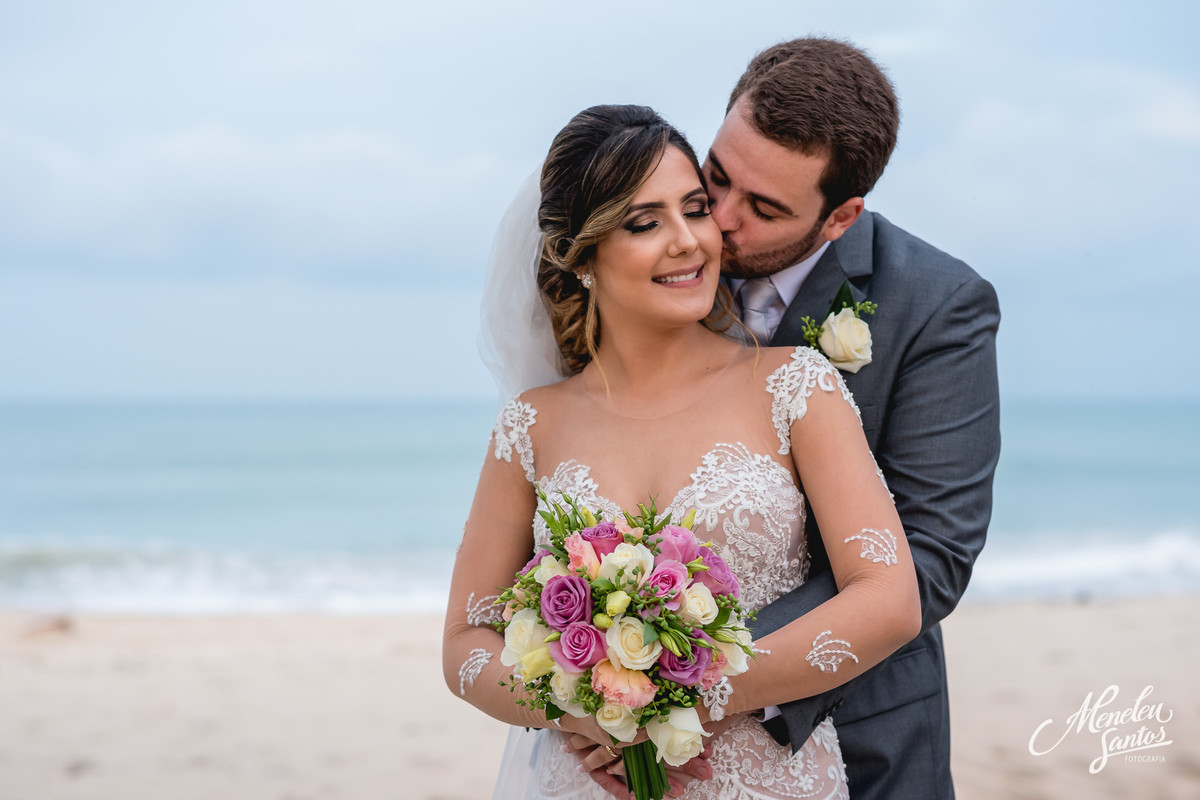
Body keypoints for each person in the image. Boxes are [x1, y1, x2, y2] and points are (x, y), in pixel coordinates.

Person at [443, 103, 922, 799]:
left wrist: (681, 700)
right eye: (645, 223)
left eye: (695, 210)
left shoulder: (794, 385)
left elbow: (889, 600)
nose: (689, 241)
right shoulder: (530, 426)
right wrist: (583, 711)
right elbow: (465, 641)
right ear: (581, 255)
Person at [576, 38, 1002, 800]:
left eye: (764, 208)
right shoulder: (644, 267)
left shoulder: (938, 306)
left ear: (840, 217)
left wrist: (684, 682)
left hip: (856, 731)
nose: (717, 222)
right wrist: (596, 687)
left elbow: (932, 553)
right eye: (717, 177)